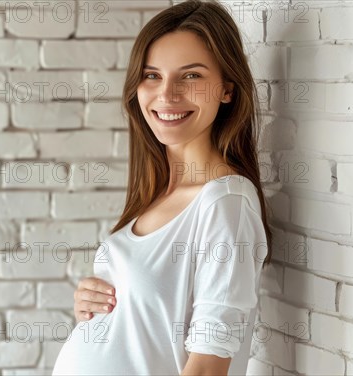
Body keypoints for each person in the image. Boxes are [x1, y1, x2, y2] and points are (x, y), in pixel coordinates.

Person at [51, 1, 273, 375]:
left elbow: (207, 366)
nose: (166, 94)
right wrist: (100, 309)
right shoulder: (158, 194)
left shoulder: (225, 202)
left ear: (227, 90)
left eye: (190, 76)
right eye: (152, 75)